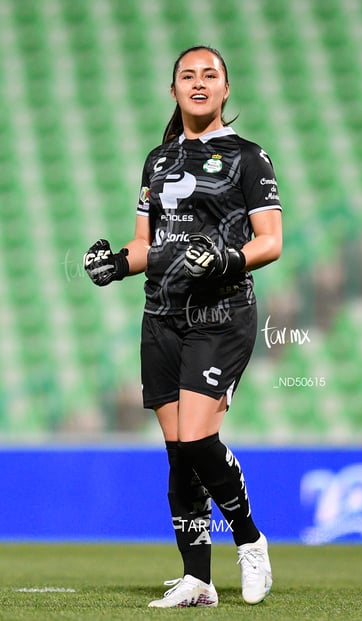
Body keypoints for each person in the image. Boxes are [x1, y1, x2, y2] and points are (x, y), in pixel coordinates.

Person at [83, 45, 283, 608]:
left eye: (209, 75)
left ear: (225, 89)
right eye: (187, 76)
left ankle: (250, 540)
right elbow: (149, 244)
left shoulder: (249, 158)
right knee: (178, 454)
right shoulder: (158, 160)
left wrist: (226, 258)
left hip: (221, 315)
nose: (198, 83)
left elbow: (270, 241)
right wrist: (118, 262)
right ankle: (198, 578)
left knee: (197, 439)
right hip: (161, 316)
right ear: (173, 90)